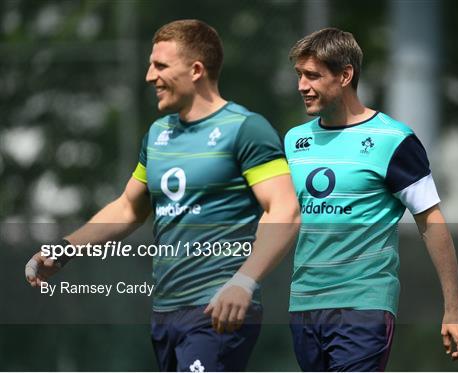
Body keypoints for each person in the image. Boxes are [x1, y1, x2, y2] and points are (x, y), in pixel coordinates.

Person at [25, 19, 300, 372]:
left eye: (160, 66)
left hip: (217, 310)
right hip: (166, 313)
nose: (149, 77)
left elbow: (285, 209)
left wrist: (244, 282)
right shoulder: (157, 135)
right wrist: (64, 249)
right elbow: (128, 207)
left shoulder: (246, 129)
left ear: (196, 70)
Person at [284, 28, 458, 371]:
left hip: (363, 305)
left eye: (312, 75)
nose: (301, 85)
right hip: (304, 305)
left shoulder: (393, 140)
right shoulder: (295, 141)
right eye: (299, 75)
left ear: (345, 75)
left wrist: (454, 307)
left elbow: (431, 222)